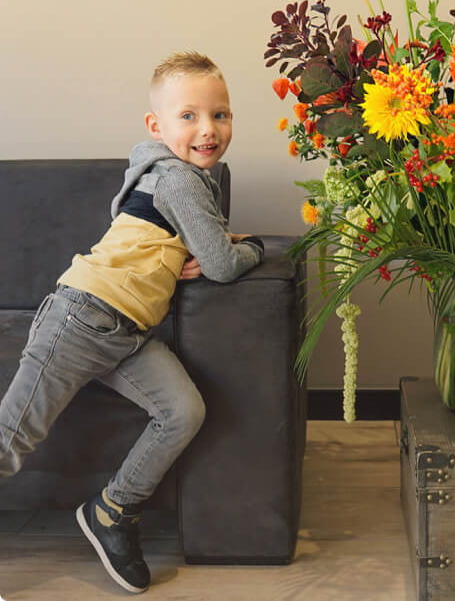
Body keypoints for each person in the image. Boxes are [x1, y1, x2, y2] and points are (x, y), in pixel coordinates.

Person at [0, 52, 263, 593]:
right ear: (156, 126)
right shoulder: (178, 180)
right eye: (188, 116)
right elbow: (220, 264)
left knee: (183, 411)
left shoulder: (182, 181)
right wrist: (252, 249)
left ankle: (112, 511)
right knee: (12, 437)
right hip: (79, 319)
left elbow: (205, 247)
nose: (208, 129)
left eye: (221, 114)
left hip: (128, 334)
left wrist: (206, 245)